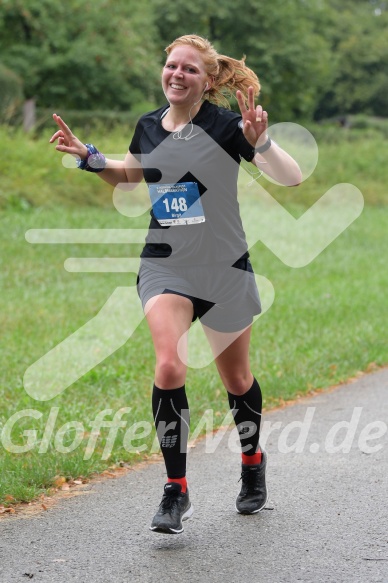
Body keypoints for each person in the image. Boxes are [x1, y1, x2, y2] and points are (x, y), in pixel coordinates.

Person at [50, 34, 302, 535]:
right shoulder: (147, 125)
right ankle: (176, 490)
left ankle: (252, 462)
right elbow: (129, 176)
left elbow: (291, 178)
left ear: (207, 81)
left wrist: (263, 143)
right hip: (166, 265)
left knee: (236, 381)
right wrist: (88, 157)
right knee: (169, 365)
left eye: (189, 69)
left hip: (225, 267)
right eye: (171, 66)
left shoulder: (229, 126)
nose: (177, 74)